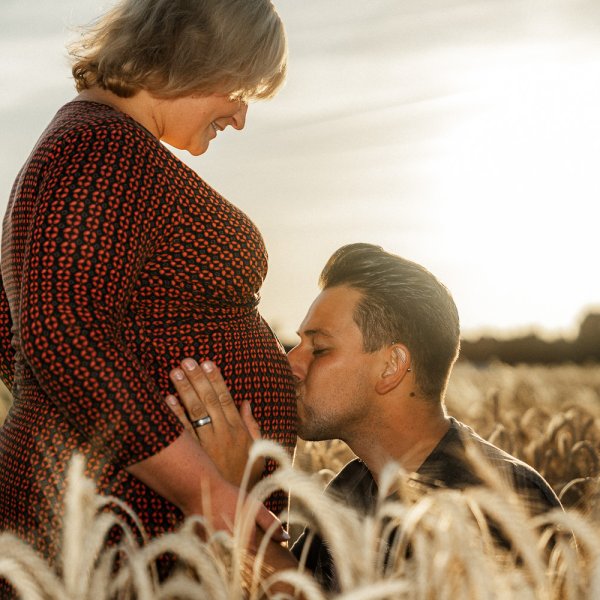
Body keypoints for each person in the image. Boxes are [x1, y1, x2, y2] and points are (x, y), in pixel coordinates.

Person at [0, 0, 295, 585]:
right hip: (129, 524)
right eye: (240, 88)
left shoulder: (88, 146)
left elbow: (16, 339)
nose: (239, 117)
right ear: (192, 55)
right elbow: (62, 331)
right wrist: (206, 489)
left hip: (122, 512)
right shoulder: (104, 149)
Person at [166, 243, 563, 591]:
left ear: (391, 366)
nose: (291, 363)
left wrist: (232, 512)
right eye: (298, 344)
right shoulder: (351, 487)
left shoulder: (501, 500)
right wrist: (238, 492)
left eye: (319, 349)